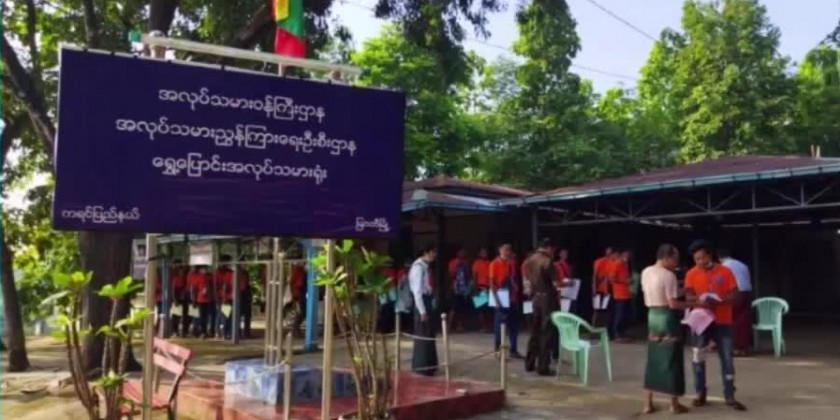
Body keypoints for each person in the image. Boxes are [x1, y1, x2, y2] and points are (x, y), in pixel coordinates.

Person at [641, 244, 706, 415]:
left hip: (652, 316)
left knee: (653, 359)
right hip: (667, 317)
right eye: (675, 259)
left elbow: (657, 292)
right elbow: (673, 303)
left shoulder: (646, 272)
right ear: (667, 257)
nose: (676, 264)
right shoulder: (668, 275)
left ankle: (647, 403)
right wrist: (696, 303)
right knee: (672, 359)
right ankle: (673, 404)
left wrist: (684, 292)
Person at [685, 240, 747, 411]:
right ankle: (700, 393)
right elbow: (688, 296)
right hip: (701, 321)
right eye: (696, 259)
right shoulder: (691, 273)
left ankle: (730, 395)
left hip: (722, 321)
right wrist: (700, 300)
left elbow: (736, 296)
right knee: (698, 357)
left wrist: (720, 300)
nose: (699, 262)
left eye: (702, 258)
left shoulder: (725, 272)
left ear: (709, 255)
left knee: (727, 358)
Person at [523, 239, 560, 375]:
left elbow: (526, 280)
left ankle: (529, 363)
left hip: (535, 298)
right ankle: (543, 367)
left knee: (534, 331)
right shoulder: (547, 261)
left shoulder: (529, 260)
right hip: (547, 299)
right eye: (552, 250)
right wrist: (565, 285)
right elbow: (556, 283)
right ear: (548, 248)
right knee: (546, 333)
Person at [490, 243, 523, 359]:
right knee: (499, 326)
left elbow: (515, 280)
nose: (507, 252)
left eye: (509, 250)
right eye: (505, 250)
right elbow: (492, 283)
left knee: (514, 325)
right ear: (500, 250)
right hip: (501, 296)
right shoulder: (494, 263)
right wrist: (496, 300)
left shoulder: (512, 264)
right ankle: (498, 350)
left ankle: (514, 349)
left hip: (512, 297)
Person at [409, 244, 439, 376]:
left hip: (427, 299)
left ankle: (430, 365)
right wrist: (422, 311)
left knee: (429, 334)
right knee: (423, 334)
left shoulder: (426, 267)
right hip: (421, 302)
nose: (434, 255)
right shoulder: (418, 267)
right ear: (426, 252)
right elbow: (417, 291)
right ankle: (422, 366)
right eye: (433, 252)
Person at [718, 248, 752, 357]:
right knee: (743, 320)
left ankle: (735, 348)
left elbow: (720, 281)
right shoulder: (742, 265)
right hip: (746, 292)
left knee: (732, 320)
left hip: (735, 293)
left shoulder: (724, 266)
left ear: (720, 258)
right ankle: (744, 347)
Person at [609, 249, 633, 341]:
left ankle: (622, 333)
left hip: (626, 293)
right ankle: (616, 334)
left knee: (624, 315)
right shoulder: (617, 264)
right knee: (619, 314)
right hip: (619, 294)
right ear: (622, 254)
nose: (628, 257)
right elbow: (611, 278)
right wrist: (625, 281)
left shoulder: (625, 265)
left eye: (629, 255)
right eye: (626, 255)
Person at [448, 248, 473, 332]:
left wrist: (468, 287)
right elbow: (451, 275)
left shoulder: (466, 263)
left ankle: (459, 325)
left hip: (464, 288)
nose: (462, 254)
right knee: (453, 308)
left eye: (463, 252)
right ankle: (448, 326)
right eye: (461, 252)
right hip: (455, 288)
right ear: (457, 253)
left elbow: (468, 275)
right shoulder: (453, 262)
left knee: (462, 308)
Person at [188, 265, 214, 339]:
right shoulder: (197, 277)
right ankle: (201, 332)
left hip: (208, 300)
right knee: (201, 317)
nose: (205, 270)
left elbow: (210, 287)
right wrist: (193, 300)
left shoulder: (208, 277)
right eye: (203, 269)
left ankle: (205, 331)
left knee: (206, 317)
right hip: (200, 300)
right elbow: (193, 289)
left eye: (205, 268)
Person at [591, 247, 614, 329]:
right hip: (599, 289)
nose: (609, 254)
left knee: (606, 311)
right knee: (597, 310)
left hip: (609, 290)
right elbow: (595, 276)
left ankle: (604, 329)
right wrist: (594, 289)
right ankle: (594, 328)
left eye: (611, 252)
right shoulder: (599, 261)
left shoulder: (613, 262)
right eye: (608, 252)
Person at [472, 247, 492, 332]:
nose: (484, 254)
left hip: (488, 287)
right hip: (480, 287)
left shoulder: (489, 263)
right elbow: (474, 276)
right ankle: (483, 326)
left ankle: (487, 326)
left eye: (485, 252)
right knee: (480, 308)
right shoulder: (476, 263)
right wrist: (475, 289)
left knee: (488, 309)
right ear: (479, 254)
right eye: (483, 252)